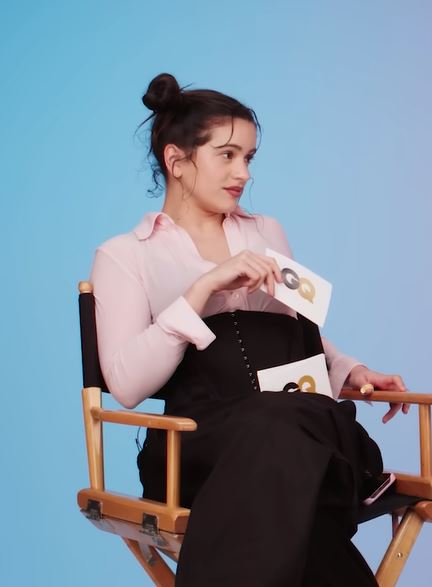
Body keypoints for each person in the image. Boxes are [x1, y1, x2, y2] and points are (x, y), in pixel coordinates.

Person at [91, 73, 409, 586]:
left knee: (282, 434)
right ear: (177, 161)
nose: (243, 173)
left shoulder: (266, 232)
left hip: (288, 439)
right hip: (193, 449)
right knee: (288, 445)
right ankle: (355, 468)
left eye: (249, 157)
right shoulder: (127, 255)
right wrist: (202, 289)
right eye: (227, 155)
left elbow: (300, 334)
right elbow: (127, 387)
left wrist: (351, 370)